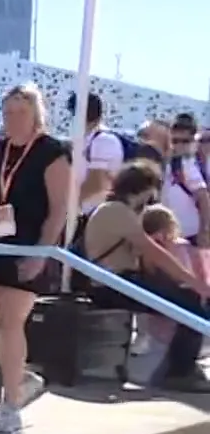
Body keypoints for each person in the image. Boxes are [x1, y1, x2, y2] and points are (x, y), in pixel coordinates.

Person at [0, 84, 71, 434]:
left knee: (12, 320)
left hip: (28, 243)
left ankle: (10, 404)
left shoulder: (53, 152)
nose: (12, 119)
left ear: (36, 114)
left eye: (20, 112)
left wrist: (40, 254)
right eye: (8, 112)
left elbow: (59, 210)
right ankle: (20, 374)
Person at [80, 163, 210, 391]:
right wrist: (194, 282)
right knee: (190, 304)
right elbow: (153, 252)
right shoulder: (116, 211)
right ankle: (180, 371)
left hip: (118, 281)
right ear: (143, 188)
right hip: (114, 284)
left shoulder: (115, 210)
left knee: (187, 299)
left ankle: (179, 367)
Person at [163, 112, 210, 251]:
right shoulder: (169, 163)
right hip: (174, 233)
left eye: (185, 141)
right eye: (175, 141)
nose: (179, 146)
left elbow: (203, 198)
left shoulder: (188, 164)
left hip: (193, 235)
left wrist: (205, 231)